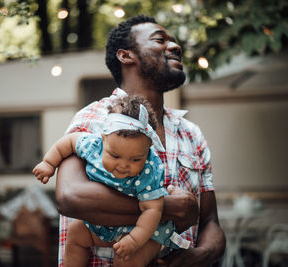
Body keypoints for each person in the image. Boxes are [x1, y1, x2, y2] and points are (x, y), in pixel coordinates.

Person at [55, 14, 226, 267]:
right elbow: (70, 197)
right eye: (160, 40)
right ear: (126, 55)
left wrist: (197, 257)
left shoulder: (192, 134)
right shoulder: (95, 119)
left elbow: (210, 221)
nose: (175, 46)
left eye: (174, 41)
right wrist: (168, 208)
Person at [34, 96, 190, 266]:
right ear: (103, 139)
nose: (123, 165)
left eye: (136, 159)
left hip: (142, 231)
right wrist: (49, 163)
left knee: (127, 259)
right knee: (76, 232)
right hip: (104, 227)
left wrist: (134, 240)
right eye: (115, 156)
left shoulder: (148, 171)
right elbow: (68, 142)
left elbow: (152, 211)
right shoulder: (93, 146)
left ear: (147, 151)